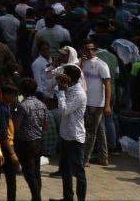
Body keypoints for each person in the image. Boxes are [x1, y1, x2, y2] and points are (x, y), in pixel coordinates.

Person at [56, 64, 88, 201]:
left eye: (65, 75)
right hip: (65, 134)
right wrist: (60, 85)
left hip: (75, 137)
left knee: (78, 171)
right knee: (65, 170)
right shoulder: (68, 88)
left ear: (70, 77)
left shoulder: (79, 94)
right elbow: (53, 80)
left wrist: (62, 92)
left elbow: (64, 110)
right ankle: (68, 197)